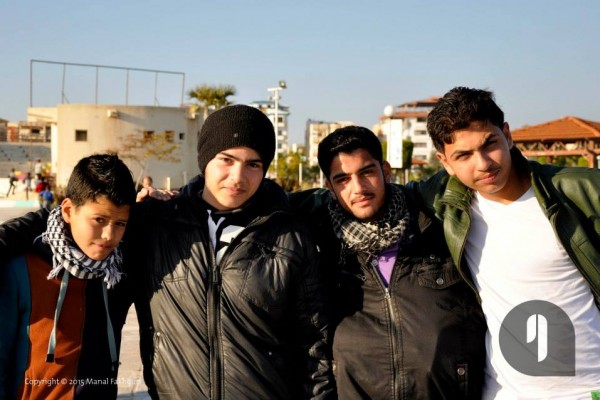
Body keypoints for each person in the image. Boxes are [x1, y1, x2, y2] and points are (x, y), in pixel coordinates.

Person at [0, 105, 334, 399]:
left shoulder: (291, 238)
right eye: (226, 160)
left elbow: (314, 348)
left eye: (253, 164)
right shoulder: (157, 223)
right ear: (205, 159)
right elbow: (83, 216)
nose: (238, 177)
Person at [410, 86, 600, 399]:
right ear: (445, 162)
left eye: (490, 144)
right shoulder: (447, 203)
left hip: (586, 389)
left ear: (508, 135)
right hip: (503, 392)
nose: (483, 163)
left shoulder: (580, 191)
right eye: (463, 155)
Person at [288, 126, 486, 398]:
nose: (358, 188)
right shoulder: (321, 245)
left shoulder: (435, 226)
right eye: (343, 179)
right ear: (329, 188)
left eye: (367, 172)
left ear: (386, 171)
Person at [0, 154, 136, 399]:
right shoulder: (23, 269)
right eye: (99, 220)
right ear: (68, 210)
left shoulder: (118, 273)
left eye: (120, 224)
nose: (109, 235)